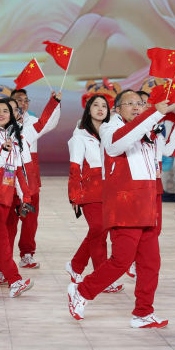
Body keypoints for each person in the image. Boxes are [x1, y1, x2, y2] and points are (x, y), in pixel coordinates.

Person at [67, 90, 173, 329]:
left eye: (140, 103)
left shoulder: (146, 129)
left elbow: (162, 155)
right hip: (124, 204)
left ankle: (143, 312)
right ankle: (82, 291)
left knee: (151, 263)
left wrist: (173, 121)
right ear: (117, 108)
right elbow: (116, 146)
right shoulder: (109, 128)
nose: (137, 107)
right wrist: (152, 115)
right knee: (121, 261)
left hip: (146, 202)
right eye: (130, 103)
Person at [0, 98, 34, 298]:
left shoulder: (13, 136)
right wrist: (4, 152)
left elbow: (15, 170)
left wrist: (24, 197)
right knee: (1, 239)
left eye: (6, 110)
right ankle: (15, 280)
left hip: (5, 196)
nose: (2, 113)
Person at [10, 88, 61, 269]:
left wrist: (55, 103)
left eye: (26, 100)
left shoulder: (31, 124)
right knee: (6, 220)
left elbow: (48, 123)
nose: (23, 104)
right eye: (19, 100)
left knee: (30, 219)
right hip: (8, 178)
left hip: (29, 177)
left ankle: (27, 254)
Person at [66, 94, 110, 283]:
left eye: (104, 106)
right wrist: (74, 196)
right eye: (96, 105)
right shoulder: (80, 137)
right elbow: (75, 168)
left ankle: (77, 266)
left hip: (110, 190)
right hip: (90, 191)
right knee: (98, 228)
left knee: (101, 232)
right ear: (88, 110)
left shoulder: (111, 134)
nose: (100, 109)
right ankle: (101, 276)